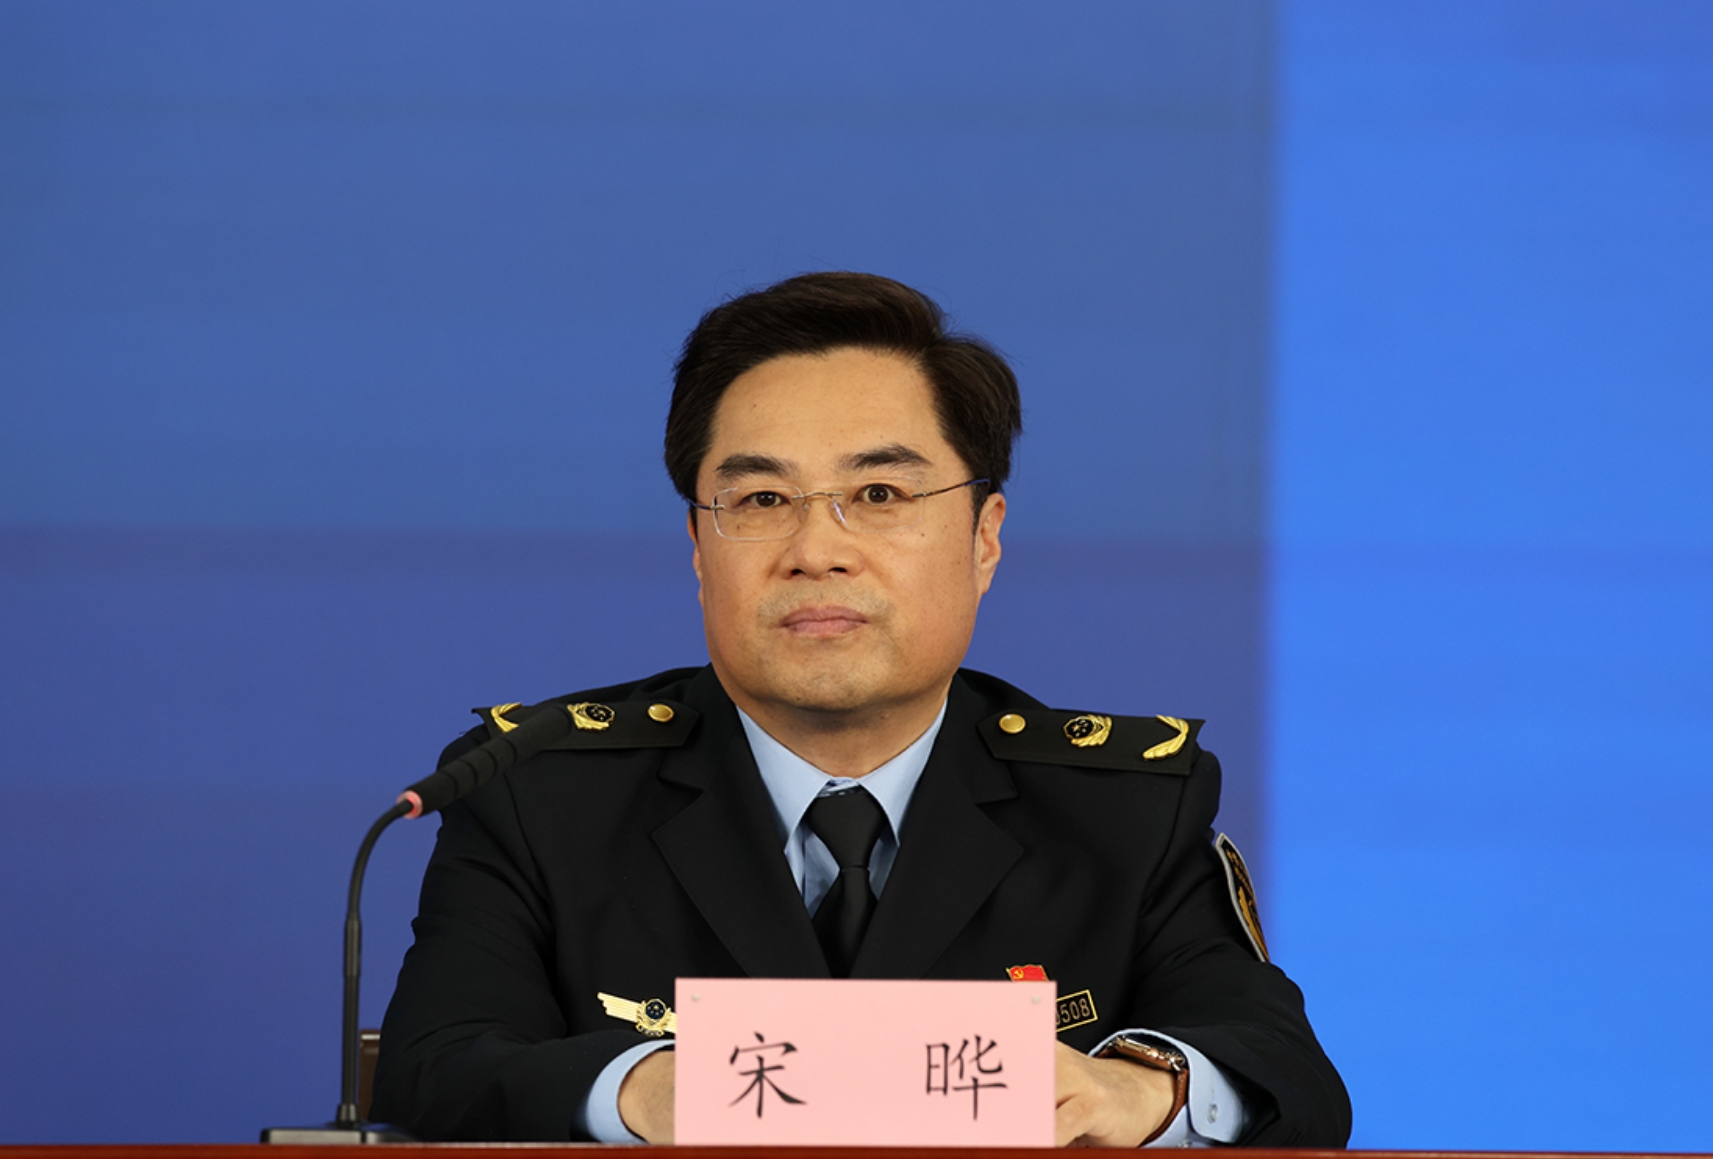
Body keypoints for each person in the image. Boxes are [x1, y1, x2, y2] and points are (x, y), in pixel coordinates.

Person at [370, 272, 1350, 1147]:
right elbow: (435, 1066)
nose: (816, 551)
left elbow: (1285, 1077)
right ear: (698, 547)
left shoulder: (1124, 810)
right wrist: (644, 1090)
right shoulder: (536, 792)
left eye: (878, 493)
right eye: (761, 501)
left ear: (983, 538)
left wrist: (1134, 1090)